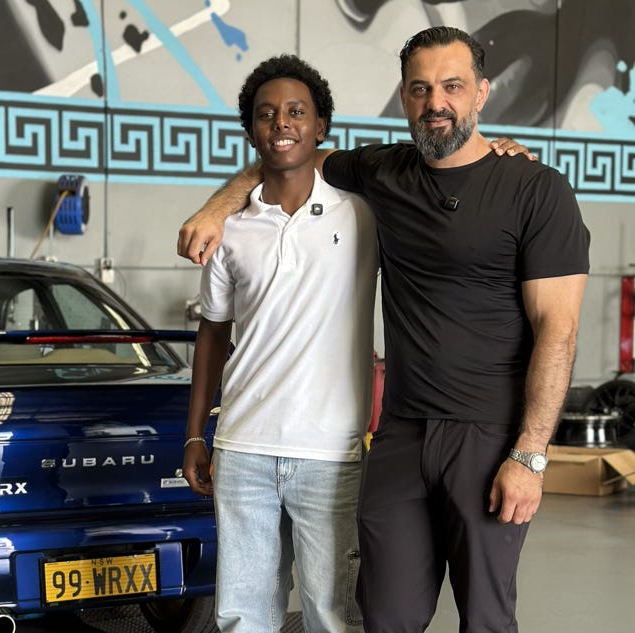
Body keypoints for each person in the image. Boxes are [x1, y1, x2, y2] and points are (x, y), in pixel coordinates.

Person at [179, 26, 589, 633]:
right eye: (420, 89)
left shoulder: (535, 188)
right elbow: (290, 155)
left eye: (452, 86)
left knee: (485, 616)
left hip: (487, 435)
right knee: (384, 615)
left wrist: (530, 455)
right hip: (400, 434)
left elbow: (559, 330)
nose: (435, 102)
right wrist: (218, 207)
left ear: (482, 92)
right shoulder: (384, 174)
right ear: (403, 97)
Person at [182, 54, 378, 633]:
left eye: (297, 112)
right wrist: (195, 434)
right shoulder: (230, 229)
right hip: (243, 447)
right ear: (251, 132)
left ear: (321, 127)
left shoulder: (363, 215)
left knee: (332, 614)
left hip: (331, 452)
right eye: (266, 115)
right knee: (244, 615)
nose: (282, 123)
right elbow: (212, 333)